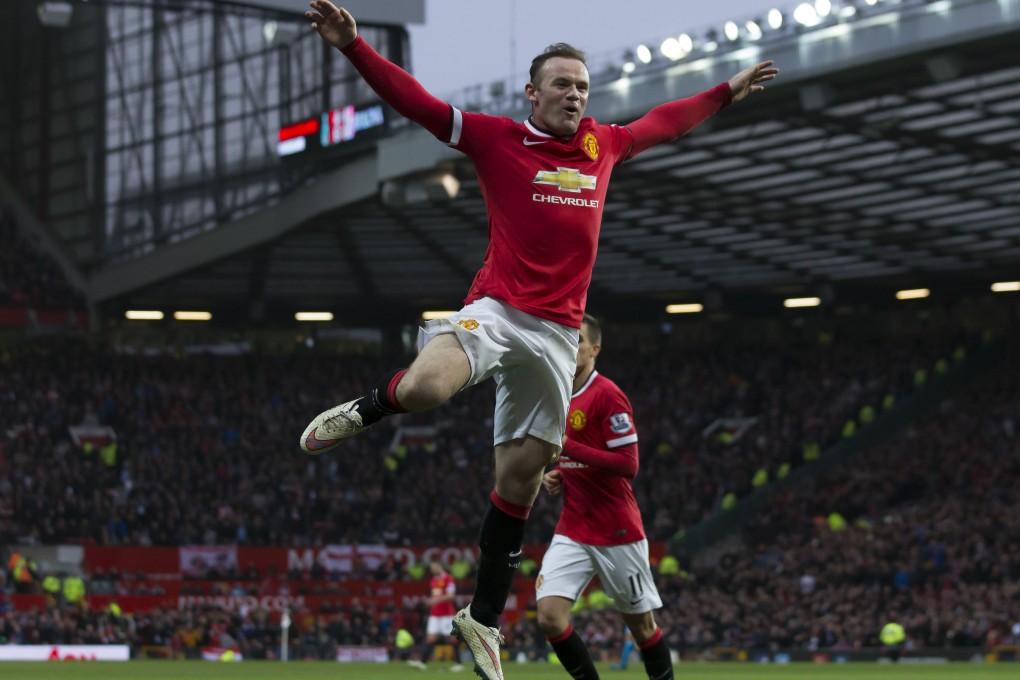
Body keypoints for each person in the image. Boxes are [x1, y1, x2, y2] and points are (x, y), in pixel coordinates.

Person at [300, 3, 777, 678]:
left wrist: (725, 91)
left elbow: (666, 121)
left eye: (582, 86)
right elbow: (420, 105)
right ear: (533, 92)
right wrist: (354, 47)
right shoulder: (495, 138)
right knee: (427, 387)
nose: (575, 95)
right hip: (498, 309)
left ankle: (482, 619)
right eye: (562, 84)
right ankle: (364, 409)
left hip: (558, 335)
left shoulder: (604, 145)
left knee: (519, 484)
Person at [536, 313, 671, 680]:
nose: (571, 345)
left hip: (617, 531)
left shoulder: (608, 394)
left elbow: (628, 464)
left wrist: (569, 448)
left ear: (594, 349)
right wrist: (560, 472)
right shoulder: (559, 393)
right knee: (549, 617)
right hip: (573, 528)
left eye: (578, 340)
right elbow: (575, 454)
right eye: (566, 338)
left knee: (642, 627)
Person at [409, 560, 465, 671]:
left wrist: (435, 600)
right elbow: (435, 596)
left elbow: (451, 596)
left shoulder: (448, 579)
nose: (432, 569)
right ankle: (422, 662)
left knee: (451, 639)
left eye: (433, 567)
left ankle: (459, 663)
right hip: (434, 614)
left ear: (439, 567)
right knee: (430, 638)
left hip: (446, 614)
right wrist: (430, 601)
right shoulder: (433, 580)